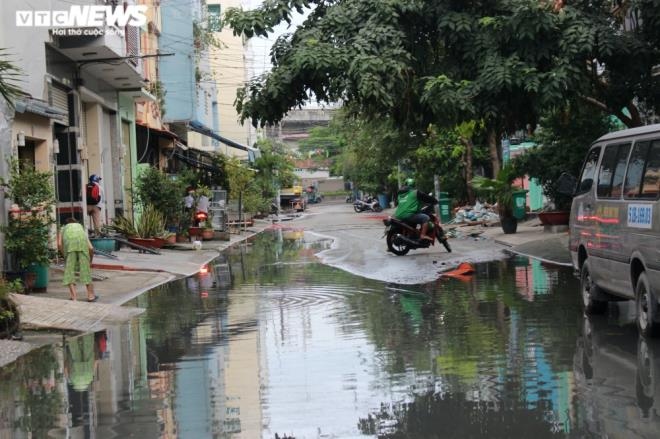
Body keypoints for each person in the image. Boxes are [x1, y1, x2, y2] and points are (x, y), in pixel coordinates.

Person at [57, 218, 98, 302]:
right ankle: (91, 296)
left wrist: (64, 255)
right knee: (86, 271)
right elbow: (91, 248)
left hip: (70, 249)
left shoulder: (63, 228)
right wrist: (90, 260)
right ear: (76, 222)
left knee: (69, 272)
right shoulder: (80, 228)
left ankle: (74, 297)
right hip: (82, 248)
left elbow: (59, 244)